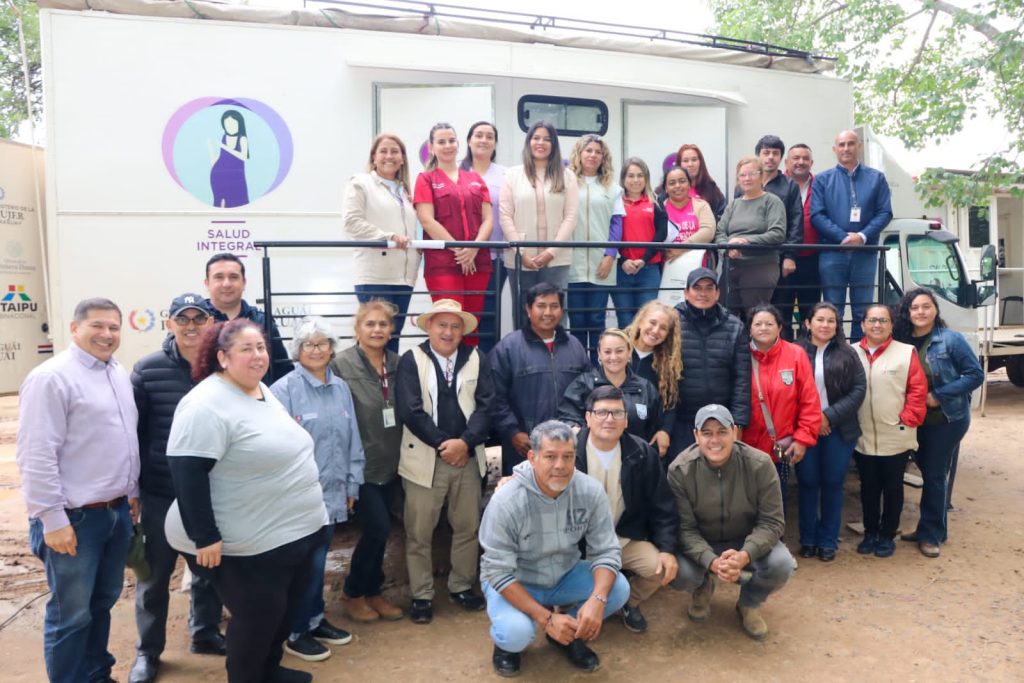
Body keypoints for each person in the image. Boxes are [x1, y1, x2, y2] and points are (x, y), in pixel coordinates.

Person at [164, 318, 328, 683]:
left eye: (261, 348)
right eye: (246, 349)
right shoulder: (205, 405)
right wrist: (204, 536)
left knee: (282, 614)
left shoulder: (258, 389)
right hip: (242, 542)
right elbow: (186, 473)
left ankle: (269, 672)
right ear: (222, 357)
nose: (258, 356)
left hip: (286, 532)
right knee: (257, 620)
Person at [17, 297, 140, 683]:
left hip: (116, 513)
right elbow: (36, 454)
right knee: (70, 616)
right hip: (73, 519)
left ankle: (96, 675)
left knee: (101, 604)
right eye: (97, 326)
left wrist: (132, 492)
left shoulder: (117, 372)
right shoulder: (51, 378)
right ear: (74, 329)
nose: (107, 334)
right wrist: (52, 519)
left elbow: (122, 438)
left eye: (114, 327)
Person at [479, 420, 630, 676]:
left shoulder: (589, 491)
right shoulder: (506, 501)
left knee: (617, 589)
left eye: (567, 457)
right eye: (550, 456)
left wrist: (597, 599)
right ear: (532, 457)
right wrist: (547, 619)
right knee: (516, 633)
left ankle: (567, 633)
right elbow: (497, 572)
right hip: (517, 579)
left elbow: (606, 551)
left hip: (564, 573)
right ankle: (507, 646)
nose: (560, 465)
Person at [129, 293, 224, 683]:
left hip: (208, 492)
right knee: (154, 579)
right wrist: (133, 488)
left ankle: (204, 634)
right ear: (169, 323)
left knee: (208, 571)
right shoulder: (147, 370)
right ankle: (147, 653)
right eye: (181, 319)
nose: (190, 326)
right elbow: (132, 435)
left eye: (197, 319)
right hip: (160, 493)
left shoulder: (221, 367)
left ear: (209, 324)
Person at [395, 299, 495, 624]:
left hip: (466, 457)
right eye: (442, 325)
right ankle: (421, 595)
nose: (448, 332)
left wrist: (465, 443)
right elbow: (410, 410)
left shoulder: (477, 358)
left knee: (467, 527)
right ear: (429, 327)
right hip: (425, 460)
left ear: (462, 331)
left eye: (455, 326)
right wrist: (443, 444)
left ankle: (462, 586)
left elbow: (487, 406)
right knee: (419, 532)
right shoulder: (412, 360)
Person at [270, 317, 364, 661]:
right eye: (308, 344)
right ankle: (296, 632)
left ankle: (315, 619)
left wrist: (353, 482)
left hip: (335, 492)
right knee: (304, 566)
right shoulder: (283, 390)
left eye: (322, 343)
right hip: (300, 497)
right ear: (297, 351)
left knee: (319, 562)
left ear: (332, 349)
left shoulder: (340, 388)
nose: (316, 350)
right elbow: (277, 448)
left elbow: (353, 438)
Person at [668, 405, 794, 641]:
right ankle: (702, 587)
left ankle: (750, 602)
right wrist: (712, 562)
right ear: (696, 436)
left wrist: (745, 555)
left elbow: (772, 522)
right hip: (703, 542)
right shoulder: (679, 470)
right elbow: (684, 529)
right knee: (678, 572)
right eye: (707, 433)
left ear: (735, 432)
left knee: (782, 564)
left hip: (745, 541)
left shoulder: (760, 464)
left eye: (722, 431)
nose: (715, 440)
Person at [574, 386, 678, 634]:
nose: (609, 419)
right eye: (601, 412)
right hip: (577, 543)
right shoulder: (568, 451)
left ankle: (627, 603)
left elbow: (663, 505)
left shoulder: (641, 452)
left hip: (623, 538)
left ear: (626, 419)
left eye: (616, 413)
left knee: (661, 568)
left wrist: (667, 549)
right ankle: (575, 606)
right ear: (587, 417)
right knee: (564, 581)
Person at [894, 288, 983, 558]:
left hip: (946, 418)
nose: (921, 312)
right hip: (915, 420)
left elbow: (974, 374)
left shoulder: (951, 340)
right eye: (915, 307)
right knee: (929, 469)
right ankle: (932, 528)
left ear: (935, 310)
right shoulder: (901, 341)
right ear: (907, 313)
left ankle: (931, 535)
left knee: (933, 474)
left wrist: (938, 396)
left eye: (926, 306)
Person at [332, 301, 405, 622]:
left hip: (393, 463)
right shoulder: (340, 365)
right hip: (359, 465)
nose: (377, 330)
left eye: (383, 324)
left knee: (382, 531)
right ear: (357, 329)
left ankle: (374, 591)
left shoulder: (400, 363)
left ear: (392, 330)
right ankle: (353, 591)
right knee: (378, 527)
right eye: (370, 324)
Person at [851, 304, 927, 559]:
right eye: (872, 320)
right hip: (863, 435)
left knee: (893, 486)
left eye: (883, 320)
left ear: (892, 325)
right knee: (868, 487)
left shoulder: (906, 353)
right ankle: (871, 532)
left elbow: (917, 389)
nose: (877, 325)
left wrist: (908, 419)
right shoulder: (852, 353)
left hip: (896, 434)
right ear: (862, 325)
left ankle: (887, 534)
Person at [489, 282, 590, 475]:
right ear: (528, 309)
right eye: (541, 306)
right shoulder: (508, 348)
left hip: (567, 445)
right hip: (524, 445)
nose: (548, 312)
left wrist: (580, 429)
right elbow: (494, 395)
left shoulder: (575, 346)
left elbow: (586, 393)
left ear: (562, 310)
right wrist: (512, 432)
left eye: (554, 306)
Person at [796, 302, 866, 562]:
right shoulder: (795, 351)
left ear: (837, 326)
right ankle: (808, 539)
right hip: (805, 429)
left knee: (833, 485)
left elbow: (858, 390)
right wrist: (814, 420)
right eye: (820, 320)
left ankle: (827, 541)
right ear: (808, 323)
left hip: (838, 429)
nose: (825, 325)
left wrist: (828, 416)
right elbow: (789, 393)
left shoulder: (848, 354)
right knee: (808, 483)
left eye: (831, 321)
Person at [811, 130, 893, 342]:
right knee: (832, 309)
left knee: (862, 310)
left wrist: (862, 236)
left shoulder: (877, 179)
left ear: (859, 146)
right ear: (834, 149)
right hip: (832, 252)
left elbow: (885, 213)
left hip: (865, 253)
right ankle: (834, 355)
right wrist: (842, 237)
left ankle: (859, 354)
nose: (846, 148)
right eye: (841, 145)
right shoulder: (822, 180)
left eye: (850, 144)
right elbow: (817, 215)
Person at [414, 122, 494, 341]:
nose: (447, 145)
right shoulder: (426, 179)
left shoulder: (475, 179)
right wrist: (459, 249)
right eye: (441, 142)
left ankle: (467, 373)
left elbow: (488, 220)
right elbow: (427, 220)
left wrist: (473, 249)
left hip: (478, 262)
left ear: (459, 144)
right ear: (431, 147)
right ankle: (445, 375)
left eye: (451, 140)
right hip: (443, 264)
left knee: (471, 324)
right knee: (448, 323)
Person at [343, 132, 420, 352]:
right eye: (383, 151)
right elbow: (351, 222)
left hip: (404, 278)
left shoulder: (405, 191)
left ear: (403, 158)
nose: (389, 156)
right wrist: (388, 238)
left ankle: (389, 386)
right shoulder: (361, 183)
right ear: (373, 157)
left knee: (392, 340)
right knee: (374, 341)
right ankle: (368, 386)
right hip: (375, 275)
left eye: (395, 151)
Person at [669, 268, 751, 456]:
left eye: (708, 288)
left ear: (717, 292)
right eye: (697, 288)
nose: (703, 293)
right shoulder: (671, 322)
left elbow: (742, 379)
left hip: (722, 421)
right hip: (682, 420)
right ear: (686, 292)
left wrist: (739, 421)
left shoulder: (734, 326)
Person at [744, 304, 821, 500]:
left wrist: (803, 439)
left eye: (769, 323)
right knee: (745, 505)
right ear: (750, 328)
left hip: (779, 449)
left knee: (776, 504)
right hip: (745, 448)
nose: (763, 328)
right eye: (758, 324)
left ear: (779, 328)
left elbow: (809, 401)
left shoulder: (795, 354)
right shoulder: (741, 355)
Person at [500, 121, 578, 302]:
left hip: (557, 260)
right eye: (536, 138)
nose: (540, 143)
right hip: (520, 259)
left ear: (554, 145)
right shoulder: (512, 175)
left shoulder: (567, 176)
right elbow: (505, 216)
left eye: (547, 139)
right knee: (523, 314)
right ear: (528, 142)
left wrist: (552, 251)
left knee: (555, 314)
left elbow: (571, 216)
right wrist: (521, 253)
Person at [567, 135, 624, 356]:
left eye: (597, 152)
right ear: (580, 154)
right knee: (578, 319)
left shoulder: (612, 187)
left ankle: (597, 367)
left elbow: (616, 224)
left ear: (603, 157)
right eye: (588, 150)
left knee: (597, 318)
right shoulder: (567, 182)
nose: (593, 155)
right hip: (573, 262)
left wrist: (610, 256)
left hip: (602, 264)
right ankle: (580, 367)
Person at [558, 328, 663, 444]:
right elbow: (568, 417)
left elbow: (656, 426)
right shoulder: (583, 384)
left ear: (629, 352)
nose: (613, 357)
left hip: (635, 458)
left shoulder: (645, 388)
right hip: (592, 457)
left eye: (619, 351)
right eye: (607, 352)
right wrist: (574, 427)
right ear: (599, 353)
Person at [715, 157, 787, 316]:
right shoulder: (733, 204)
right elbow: (720, 233)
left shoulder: (772, 202)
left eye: (752, 174)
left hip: (760, 267)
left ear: (761, 176)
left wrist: (745, 242)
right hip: (732, 267)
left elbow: (777, 233)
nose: (747, 178)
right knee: (725, 315)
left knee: (755, 317)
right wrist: (727, 249)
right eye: (742, 175)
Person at [202, 252, 290, 381]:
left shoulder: (262, 321)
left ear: (243, 282)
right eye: (219, 277)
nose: (226, 284)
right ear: (207, 283)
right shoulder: (196, 321)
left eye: (233, 277)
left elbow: (282, 370)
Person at [461, 121, 507, 352]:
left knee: (489, 314)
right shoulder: (457, 172)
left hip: (495, 256)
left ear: (495, 143)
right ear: (469, 140)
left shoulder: (505, 175)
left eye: (489, 136)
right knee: (466, 313)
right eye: (478, 135)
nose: (484, 140)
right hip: (463, 256)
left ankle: (487, 368)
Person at [613, 157, 668, 328]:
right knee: (625, 321)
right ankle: (628, 356)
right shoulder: (615, 201)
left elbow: (661, 233)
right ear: (623, 179)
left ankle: (645, 356)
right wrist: (622, 260)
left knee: (647, 322)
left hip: (649, 269)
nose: (635, 180)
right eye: (630, 176)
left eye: (640, 175)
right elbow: (611, 233)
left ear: (646, 178)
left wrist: (644, 259)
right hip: (621, 270)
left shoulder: (655, 201)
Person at [625, 300, 682, 459]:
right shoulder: (619, 349)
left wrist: (665, 431)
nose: (655, 330)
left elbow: (670, 403)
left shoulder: (668, 364)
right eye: (652, 322)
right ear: (641, 320)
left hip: (647, 440)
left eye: (663, 328)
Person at [776, 143, 821, 338]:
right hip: (783, 259)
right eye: (796, 158)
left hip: (812, 259)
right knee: (782, 312)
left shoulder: (821, 184)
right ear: (786, 162)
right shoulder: (777, 184)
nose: (800, 162)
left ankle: (808, 357)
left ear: (811, 163)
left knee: (809, 313)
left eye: (805, 159)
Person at [661, 164, 715, 263]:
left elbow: (708, 231)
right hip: (668, 266)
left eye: (682, 181)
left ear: (689, 184)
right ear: (666, 188)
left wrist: (681, 248)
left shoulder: (701, 206)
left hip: (698, 268)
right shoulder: (660, 209)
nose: (677, 186)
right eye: (672, 183)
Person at [676, 143, 727, 221]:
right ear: (679, 164)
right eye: (685, 161)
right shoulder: (669, 190)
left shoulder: (712, 189)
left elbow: (723, 217)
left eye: (694, 160)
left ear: (700, 162)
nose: (690, 164)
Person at [208, 110, 249, 208]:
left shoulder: (242, 139)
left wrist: (224, 146)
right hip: (218, 177)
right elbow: (218, 159)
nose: (230, 126)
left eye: (233, 123)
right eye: (227, 124)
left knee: (239, 202)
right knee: (219, 203)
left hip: (236, 178)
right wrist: (210, 147)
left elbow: (244, 157)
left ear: (239, 123)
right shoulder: (224, 137)